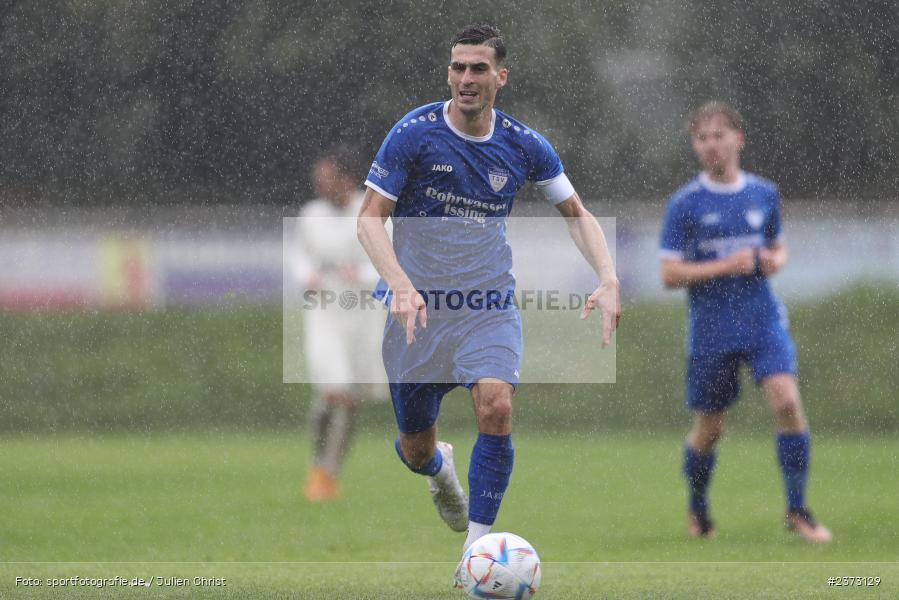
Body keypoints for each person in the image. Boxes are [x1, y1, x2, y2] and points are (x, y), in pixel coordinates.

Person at [356, 23, 620, 576]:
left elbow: (578, 214)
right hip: (418, 313)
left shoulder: (524, 145)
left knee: (496, 406)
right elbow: (369, 220)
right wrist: (401, 285)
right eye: (458, 68)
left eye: (478, 69)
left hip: (486, 307)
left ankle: (474, 552)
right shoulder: (414, 133)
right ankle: (439, 471)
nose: (466, 79)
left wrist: (608, 277)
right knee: (415, 450)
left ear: (501, 76)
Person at [659, 101, 831, 543]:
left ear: (739, 138)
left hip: (762, 322)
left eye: (719, 135)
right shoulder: (685, 204)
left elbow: (778, 246)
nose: (711, 145)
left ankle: (797, 510)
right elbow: (669, 274)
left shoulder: (763, 193)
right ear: (695, 145)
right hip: (712, 330)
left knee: (787, 402)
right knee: (711, 428)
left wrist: (775, 260)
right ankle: (698, 509)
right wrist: (725, 266)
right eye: (702, 138)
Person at [297, 145, 387, 502]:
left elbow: (387, 259)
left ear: (346, 179)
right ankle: (320, 465)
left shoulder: (370, 211)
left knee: (350, 399)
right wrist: (308, 276)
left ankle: (328, 473)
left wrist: (362, 274)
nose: (320, 185)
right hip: (325, 314)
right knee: (331, 391)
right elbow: (299, 257)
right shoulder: (310, 215)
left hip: (362, 316)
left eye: (327, 178)